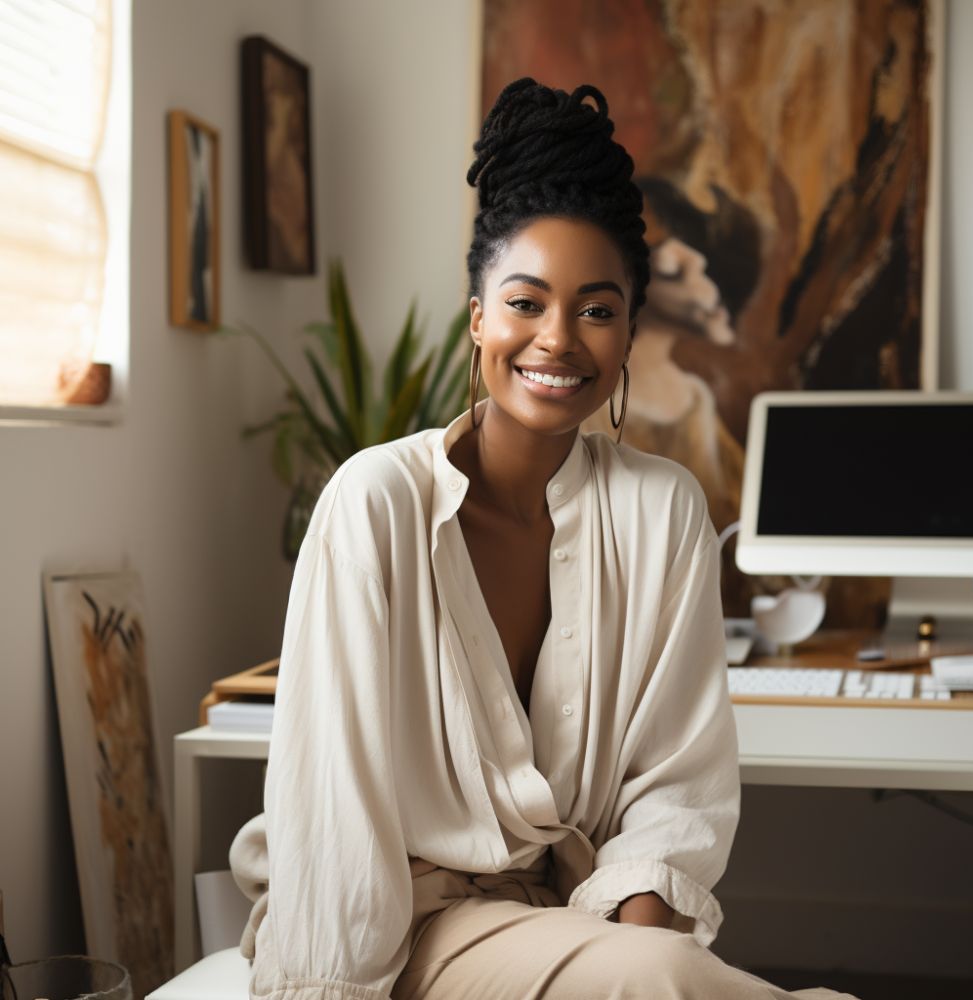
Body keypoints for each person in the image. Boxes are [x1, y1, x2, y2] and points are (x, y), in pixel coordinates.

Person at [230, 78, 856, 1000]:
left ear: (631, 332)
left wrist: (634, 952)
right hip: (404, 929)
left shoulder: (664, 511)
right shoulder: (375, 503)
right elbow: (336, 813)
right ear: (478, 314)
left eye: (597, 310)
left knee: (673, 978)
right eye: (525, 302)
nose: (557, 339)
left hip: (581, 918)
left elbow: (675, 788)